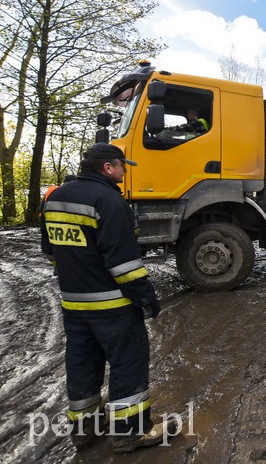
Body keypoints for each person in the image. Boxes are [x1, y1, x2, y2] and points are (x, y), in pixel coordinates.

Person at [40, 143, 177, 453]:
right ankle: (130, 433)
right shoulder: (110, 202)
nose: (124, 170)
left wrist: (77, 275)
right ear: (107, 168)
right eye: (121, 165)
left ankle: (84, 429)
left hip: (74, 305)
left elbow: (51, 251)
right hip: (112, 306)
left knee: (82, 363)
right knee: (128, 363)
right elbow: (124, 264)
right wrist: (146, 296)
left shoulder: (54, 198)